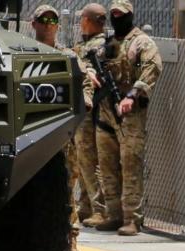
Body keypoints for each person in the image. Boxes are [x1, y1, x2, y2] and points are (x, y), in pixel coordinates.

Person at [31, 4, 95, 251]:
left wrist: (86, 98)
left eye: (52, 21)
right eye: (43, 19)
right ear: (33, 23)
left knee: (67, 185)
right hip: (34, 130)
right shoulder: (25, 51)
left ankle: (71, 238)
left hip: (63, 132)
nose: (48, 24)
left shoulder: (67, 55)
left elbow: (86, 79)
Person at [92, 0, 162, 235]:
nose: (116, 18)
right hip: (106, 113)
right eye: (113, 14)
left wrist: (131, 96)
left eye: (120, 14)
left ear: (130, 15)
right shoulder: (109, 44)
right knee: (107, 165)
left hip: (129, 115)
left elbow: (152, 69)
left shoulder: (141, 42)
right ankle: (113, 214)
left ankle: (132, 218)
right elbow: (96, 65)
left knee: (130, 165)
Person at [74, 4, 109, 230]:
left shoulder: (96, 46)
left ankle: (99, 209)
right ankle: (86, 206)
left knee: (87, 157)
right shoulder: (91, 44)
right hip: (88, 107)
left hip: (89, 108)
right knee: (83, 158)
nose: (79, 23)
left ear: (88, 21)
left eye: (82, 19)